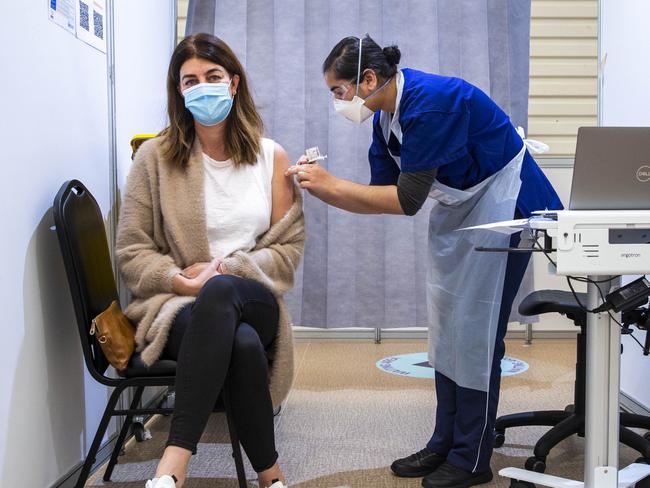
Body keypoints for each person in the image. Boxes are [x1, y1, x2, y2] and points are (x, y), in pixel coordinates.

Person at [286, 35, 562, 488]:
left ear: (368, 79)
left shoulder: (430, 103)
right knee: (449, 330)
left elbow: (408, 200)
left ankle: (472, 458)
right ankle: (444, 442)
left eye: (338, 91)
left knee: (476, 335)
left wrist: (329, 184)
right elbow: (380, 197)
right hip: (465, 211)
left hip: (505, 206)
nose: (337, 102)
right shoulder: (386, 116)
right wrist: (321, 187)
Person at [116, 33, 305, 488]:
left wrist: (225, 269)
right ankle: (271, 476)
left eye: (213, 76)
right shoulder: (154, 159)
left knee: (224, 290)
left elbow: (287, 250)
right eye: (190, 80)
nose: (203, 87)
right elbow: (131, 249)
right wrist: (178, 280)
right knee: (239, 344)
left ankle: (173, 463)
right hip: (177, 305)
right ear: (179, 91)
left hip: (253, 297)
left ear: (234, 84)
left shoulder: (269, 156)